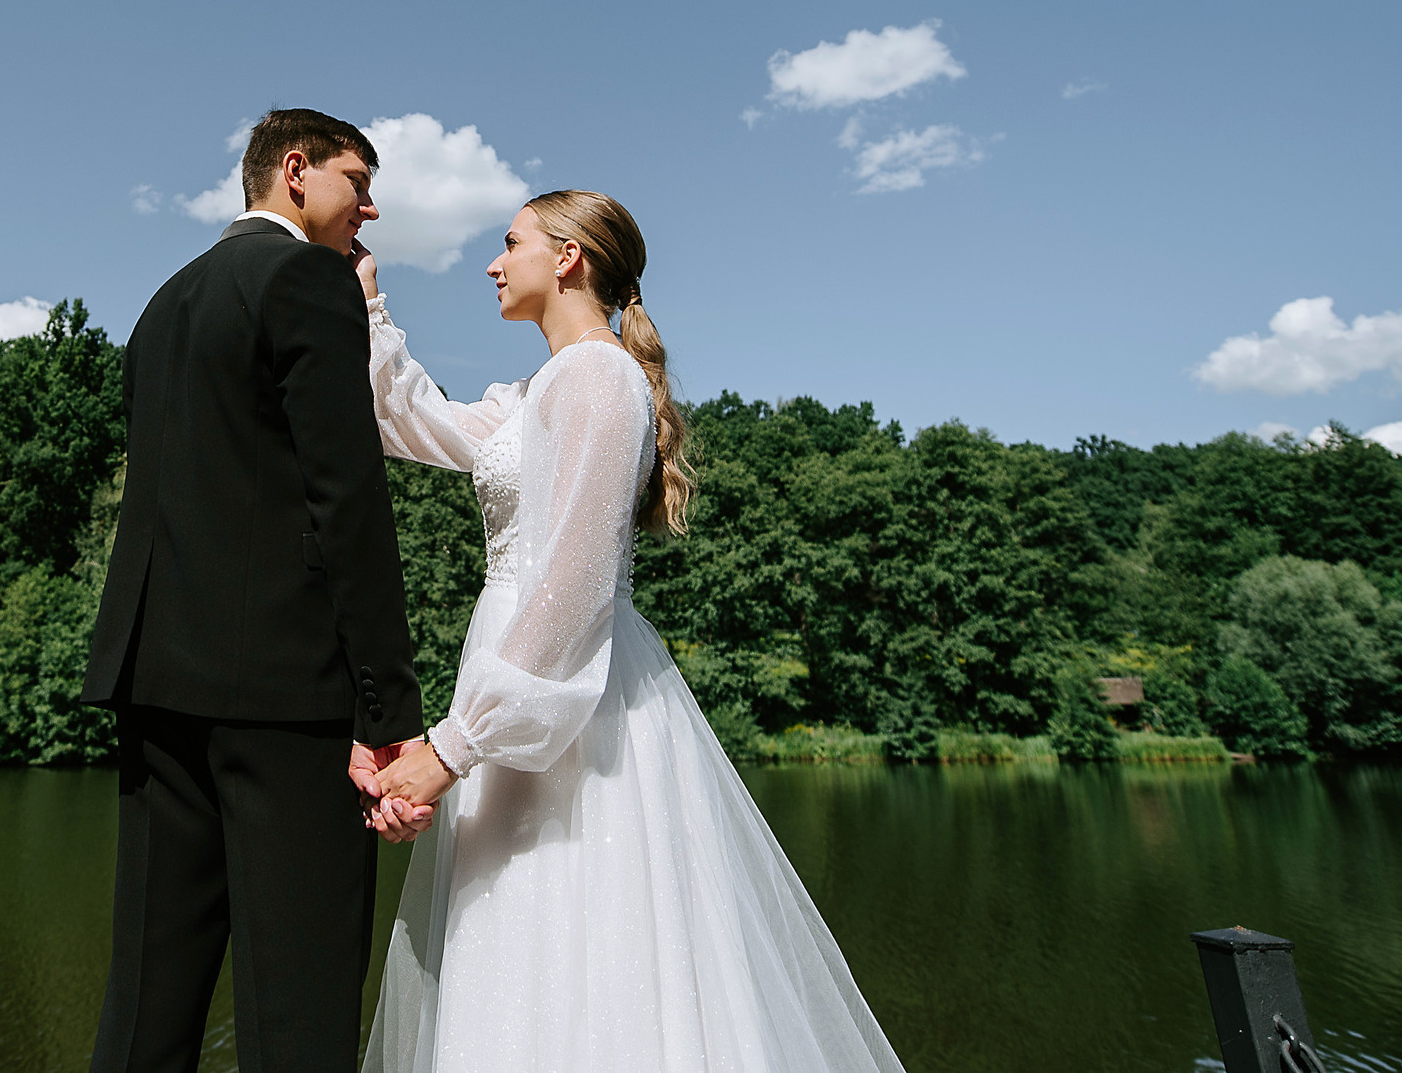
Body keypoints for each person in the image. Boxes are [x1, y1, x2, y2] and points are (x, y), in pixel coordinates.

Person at [353, 190, 908, 1073]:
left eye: (510, 243)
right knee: (511, 938)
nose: (494, 264)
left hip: (568, 698)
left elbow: (573, 588)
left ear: (567, 257)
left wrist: (455, 747)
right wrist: (370, 303)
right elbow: (411, 423)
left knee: (579, 936)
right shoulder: (541, 387)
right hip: (512, 683)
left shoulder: (600, 378)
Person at [81, 108, 427, 1073]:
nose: (371, 204)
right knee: (298, 1013)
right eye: (358, 180)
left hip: (155, 688)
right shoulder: (307, 280)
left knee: (148, 1003)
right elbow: (346, 499)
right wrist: (386, 706)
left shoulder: (166, 301)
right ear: (295, 170)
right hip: (283, 697)